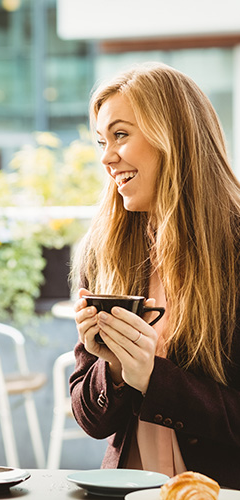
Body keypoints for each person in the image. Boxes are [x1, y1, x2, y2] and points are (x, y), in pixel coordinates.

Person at [70, 62, 240, 489]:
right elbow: (90, 419)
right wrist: (111, 368)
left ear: (173, 136)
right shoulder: (105, 249)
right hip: (129, 489)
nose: (107, 157)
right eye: (101, 141)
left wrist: (153, 378)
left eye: (121, 135)